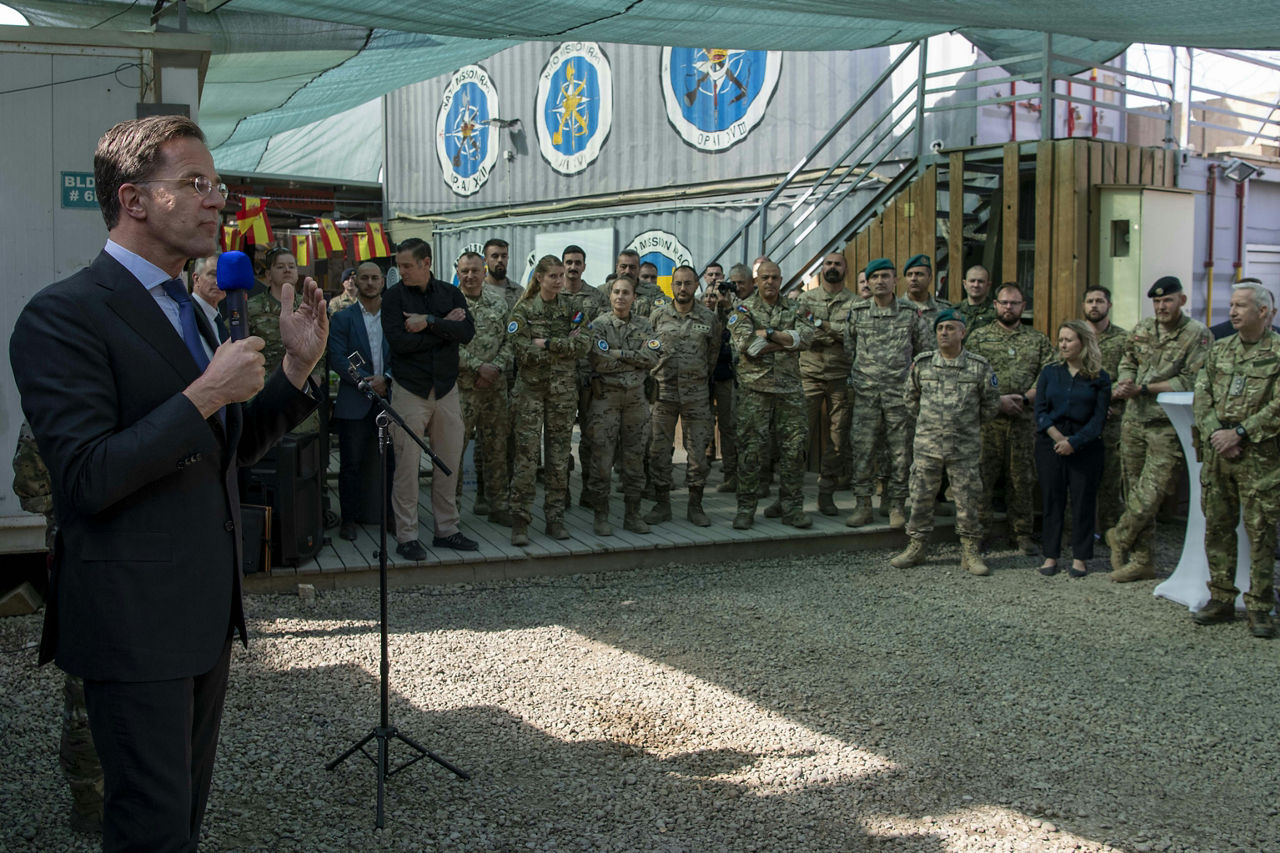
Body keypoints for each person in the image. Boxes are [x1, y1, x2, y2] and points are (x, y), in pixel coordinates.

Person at [9, 114, 325, 851]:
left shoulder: (190, 310)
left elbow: (227, 450)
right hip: (132, 624)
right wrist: (204, 394)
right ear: (135, 200)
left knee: (180, 820)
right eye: (196, 183)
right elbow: (86, 477)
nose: (218, 199)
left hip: (201, 620)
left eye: (216, 184)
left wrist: (294, 372)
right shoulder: (64, 315)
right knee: (149, 828)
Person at [12, 423, 105, 835]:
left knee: (89, 685)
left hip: (81, 546)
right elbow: (32, 489)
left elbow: (31, 492)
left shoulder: (62, 390)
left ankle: (95, 800)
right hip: (86, 553)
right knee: (86, 686)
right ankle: (91, 801)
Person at [1107, 276, 1212, 582]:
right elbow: (1127, 359)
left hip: (1168, 425)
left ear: (1182, 300)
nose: (1161, 306)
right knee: (1134, 489)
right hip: (1134, 420)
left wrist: (1143, 388)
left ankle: (1120, 535)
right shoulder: (1142, 329)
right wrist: (1125, 380)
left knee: (1154, 490)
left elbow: (1194, 381)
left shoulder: (1197, 335)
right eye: (1156, 301)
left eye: (1167, 300)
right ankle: (1142, 561)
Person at [1191, 282, 1280, 637]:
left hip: (1259, 456)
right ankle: (1222, 598)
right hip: (1219, 452)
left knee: (1261, 532)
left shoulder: (1277, 352)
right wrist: (1217, 433)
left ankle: (1260, 605)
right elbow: (1202, 392)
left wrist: (1239, 433)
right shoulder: (1220, 349)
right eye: (1231, 304)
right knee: (1217, 526)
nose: (1232, 311)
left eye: (1241, 305)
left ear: (1263, 311)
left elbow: (1277, 406)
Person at [382, 238, 478, 558]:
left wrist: (428, 322)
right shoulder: (394, 298)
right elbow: (399, 344)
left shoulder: (450, 293)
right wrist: (444, 330)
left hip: (446, 390)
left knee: (449, 463)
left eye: (407, 265)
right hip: (410, 391)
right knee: (407, 468)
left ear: (426, 263)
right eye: (400, 265)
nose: (402, 271)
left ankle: (446, 529)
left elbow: (466, 333)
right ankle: (407, 535)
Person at [892, 310, 1000, 574]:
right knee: (920, 497)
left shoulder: (978, 366)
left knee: (968, 500)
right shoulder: (923, 363)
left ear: (962, 333)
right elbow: (911, 400)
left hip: (964, 448)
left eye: (950, 328)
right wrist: (933, 424)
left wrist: (964, 426)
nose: (944, 332)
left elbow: (991, 405)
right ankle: (916, 546)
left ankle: (970, 551)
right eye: (940, 328)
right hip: (928, 445)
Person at [965, 283, 1054, 555]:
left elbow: (1048, 376)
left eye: (1014, 303)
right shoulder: (978, 338)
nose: (1008, 307)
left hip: (1024, 421)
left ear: (1022, 306)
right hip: (988, 422)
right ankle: (978, 534)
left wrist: (1025, 398)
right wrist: (998, 402)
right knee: (981, 478)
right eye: (1003, 302)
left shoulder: (1037, 340)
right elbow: (969, 375)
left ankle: (1022, 534)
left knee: (1022, 479)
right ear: (995, 305)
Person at [507, 255, 590, 544]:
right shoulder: (524, 311)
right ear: (539, 277)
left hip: (563, 394)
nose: (558, 280)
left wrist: (548, 343)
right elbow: (520, 349)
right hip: (530, 393)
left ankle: (555, 518)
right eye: (552, 275)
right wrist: (562, 346)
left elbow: (583, 344)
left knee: (558, 460)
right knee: (526, 460)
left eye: (560, 275)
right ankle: (520, 521)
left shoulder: (572, 308)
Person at [843, 257, 929, 529]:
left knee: (900, 452)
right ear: (867, 282)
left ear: (895, 281)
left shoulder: (909, 312)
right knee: (863, 450)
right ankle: (863, 505)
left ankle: (895, 506)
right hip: (866, 395)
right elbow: (850, 350)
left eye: (885, 276)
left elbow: (923, 351)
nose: (880, 281)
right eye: (874, 277)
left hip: (899, 395)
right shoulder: (857, 313)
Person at [727, 259, 814, 529]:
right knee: (751, 452)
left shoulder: (796, 307)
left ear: (781, 279)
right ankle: (745, 509)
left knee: (794, 451)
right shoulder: (743, 309)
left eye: (775, 277)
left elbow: (809, 338)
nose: (770, 282)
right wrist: (789, 343)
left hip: (789, 391)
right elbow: (748, 346)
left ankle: (791, 508)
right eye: (765, 277)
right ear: (756, 281)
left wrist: (771, 334)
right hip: (755, 391)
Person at [1033, 320, 1111, 577]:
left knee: (1083, 501)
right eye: (1061, 339)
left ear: (1083, 343)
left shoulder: (1100, 378)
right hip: (1050, 444)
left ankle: (1080, 557)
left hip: (1085, 446)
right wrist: (1057, 438)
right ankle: (1051, 555)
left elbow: (1098, 420)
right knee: (1052, 500)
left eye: (1069, 339)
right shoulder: (1049, 372)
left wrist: (1073, 443)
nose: (1063, 344)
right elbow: (1040, 410)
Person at [646, 265, 720, 527]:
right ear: (672, 285)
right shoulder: (657, 316)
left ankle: (695, 504)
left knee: (698, 451)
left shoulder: (708, 319)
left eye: (688, 283)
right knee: (658, 450)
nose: (682, 288)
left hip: (696, 395)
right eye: (678, 283)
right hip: (663, 393)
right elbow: (649, 350)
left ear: (696, 285)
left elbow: (712, 356)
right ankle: (661, 503)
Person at [587, 276, 661, 535]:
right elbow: (599, 361)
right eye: (616, 292)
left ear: (634, 297)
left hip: (636, 400)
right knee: (602, 459)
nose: (620, 296)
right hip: (606, 398)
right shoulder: (598, 325)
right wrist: (633, 359)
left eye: (625, 292)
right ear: (610, 296)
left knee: (635, 459)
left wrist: (618, 354)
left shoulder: (645, 325)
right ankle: (601, 515)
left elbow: (652, 357)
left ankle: (633, 514)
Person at [329, 261, 392, 541]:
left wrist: (386, 378)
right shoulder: (342, 318)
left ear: (382, 282)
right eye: (363, 278)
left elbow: (403, 355)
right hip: (354, 400)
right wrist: (366, 380)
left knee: (390, 462)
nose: (369, 282)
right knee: (350, 465)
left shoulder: (394, 317)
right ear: (356, 281)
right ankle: (349, 519)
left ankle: (390, 515)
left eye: (374, 278)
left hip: (388, 400)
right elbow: (338, 358)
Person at [456, 250, 514, 526]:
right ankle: (450, 509)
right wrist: (479, 367)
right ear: (457, 271)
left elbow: (511, 341)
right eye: (465, 271)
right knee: (454, 451)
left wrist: (495, 369)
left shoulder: (498, 303)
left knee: (496, 449)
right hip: (462, 390)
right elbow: (446, 345)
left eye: (475, 271)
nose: (470, 276)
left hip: (495, 389)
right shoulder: (449, 304)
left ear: (484, 271)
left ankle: (498, 505)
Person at [795, 252, 856, 516]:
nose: (832, 268)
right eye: (828, 264)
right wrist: (834, 333)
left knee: (838, 438)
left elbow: (852, 335)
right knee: (798, 437)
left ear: (845, 269)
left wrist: (822, 327)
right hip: (808, 375)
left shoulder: (855, 303)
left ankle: (826, 493)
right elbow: (803, 335)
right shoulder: (806, 299)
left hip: (839, 378)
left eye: (837, 264)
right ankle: (791, 496)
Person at [562, 244, 608, 506]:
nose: (573, 267)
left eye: (577, 262)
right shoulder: (555, 295)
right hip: (564, 377)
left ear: (584, 266)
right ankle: (562, 490)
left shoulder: (596, 297)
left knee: (591, 437)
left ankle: (589, 491)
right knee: (562, 436)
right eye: (568, 262)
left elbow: (602, 332)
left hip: (590, 376)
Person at [1083, 285, 1129, 533]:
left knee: (1112, 481)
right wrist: (1091, 406)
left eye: (1099, 301)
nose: (1094, 305)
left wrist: (1101, 406)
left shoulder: (1124, 340)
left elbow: (1127, 380)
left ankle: (1114, 534)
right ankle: (1078, 532)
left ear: (1109, 305)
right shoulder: (1074, 336)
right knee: (1079, 481)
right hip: (1080, 420)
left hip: (1113, 422)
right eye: (1090, 301)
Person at [704, 283, 738, 492]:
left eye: (714, 295)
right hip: (703, 378)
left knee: (728, 426)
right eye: (707, 295)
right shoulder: (699, 318)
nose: (711, 299)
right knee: (702, 426)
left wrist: (727, 307)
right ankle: (697, 475)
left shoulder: (731, 314)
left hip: (725, 377)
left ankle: (731, 473)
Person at [901, 253, 949, 327]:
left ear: (930, 278)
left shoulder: (944, 309)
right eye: (909, 275)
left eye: (919, 274)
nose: (913, 279)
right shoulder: (896, 309)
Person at [189, 252, 227, 341]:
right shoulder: (186, 313)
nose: (219, 282)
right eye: (213, 275)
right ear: (196, 279)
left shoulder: (220, 316)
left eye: (225, 275)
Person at [954, 264, 996, 336]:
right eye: (972, 281)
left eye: (981, 281)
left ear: (988, 285)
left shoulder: (996, 311)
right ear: (965, 284)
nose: (976, 285)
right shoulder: (954, 311)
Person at [483, 237, 522, 309]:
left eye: (504, 256)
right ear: (486, 260)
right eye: (495, 256)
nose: (500, 260)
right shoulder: (477, 290)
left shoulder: (519, 292)